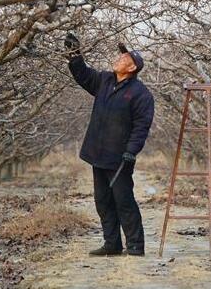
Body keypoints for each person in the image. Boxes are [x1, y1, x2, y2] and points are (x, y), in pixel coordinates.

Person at [64, 33, 154, 256]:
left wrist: (131, 151)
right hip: (98, 153)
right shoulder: (105, 81)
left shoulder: (141, 94)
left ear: (132, 67)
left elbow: (141, 127)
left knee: (124, 201)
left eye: (124, 58)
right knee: (103, 201)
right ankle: (112, 244)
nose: (119, 58)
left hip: (120, 157)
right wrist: (74, 54)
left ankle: (136, 246)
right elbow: (83, 75)